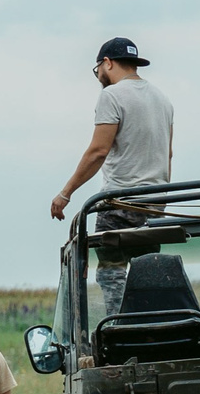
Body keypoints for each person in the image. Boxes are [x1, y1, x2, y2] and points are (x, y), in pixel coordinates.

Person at [49, 36, 175, 322]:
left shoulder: (112, 96)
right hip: (155, 205)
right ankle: (154, 328)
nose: (99, 77)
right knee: (147, 271)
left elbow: (97, 152)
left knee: (112, 273)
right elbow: (168, 154)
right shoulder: (162, 99)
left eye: (98, 71)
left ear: (107, 63)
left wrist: (65, 193)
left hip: (120, 202)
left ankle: (118, 330)